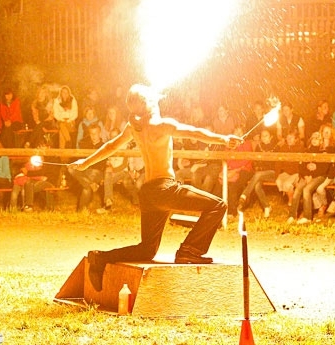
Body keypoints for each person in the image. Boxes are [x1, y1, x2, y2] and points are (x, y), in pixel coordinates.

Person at [69, 84, 242, 292]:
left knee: (146, 250)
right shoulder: (161, 125)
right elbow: (194, 133)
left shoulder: (134, 127)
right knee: (218, 206)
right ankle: (189, 250)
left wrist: (85, 162)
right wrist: (223, 139)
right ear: (148, 103)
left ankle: (101, 257)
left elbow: (111, 146)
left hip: (148, 192)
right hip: (164, 188)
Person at [287, 132, 331, 224]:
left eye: (318, 139)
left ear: (321, 141)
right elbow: (301, 166)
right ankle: (292, 215)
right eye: (313, 138)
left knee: (306, 190)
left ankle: (307, 217)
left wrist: (313, 172)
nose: (315, 141)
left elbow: (324, 169)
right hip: (306, 176)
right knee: (298, 190)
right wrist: (306, 175)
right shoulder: (306, 151)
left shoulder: (323, 152)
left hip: (319, 176)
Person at [237, 128, 278, 218]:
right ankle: (267, 207)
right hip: (261, 174)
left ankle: (244, 194)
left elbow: (277, 164)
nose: (264, 138)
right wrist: (258, 167)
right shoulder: (259, 147)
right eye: (262, 136)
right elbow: (255, 161)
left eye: (266, 135)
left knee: (258, 175)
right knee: (257, 186)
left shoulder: (276, 147)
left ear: (271, 137)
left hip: (274, 173)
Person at [67, 124, 107, 211]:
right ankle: (92, 184)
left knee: (87, 183)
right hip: (85, 171)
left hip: (97, 172)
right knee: (70, 168)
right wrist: (75, 164)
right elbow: (81, 160)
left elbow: (102, 164)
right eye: (91, 134)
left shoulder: (104, 146)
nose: (93, 136)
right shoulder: (85, 145)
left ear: (100, 134)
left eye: (95, 133)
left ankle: (81, 209)